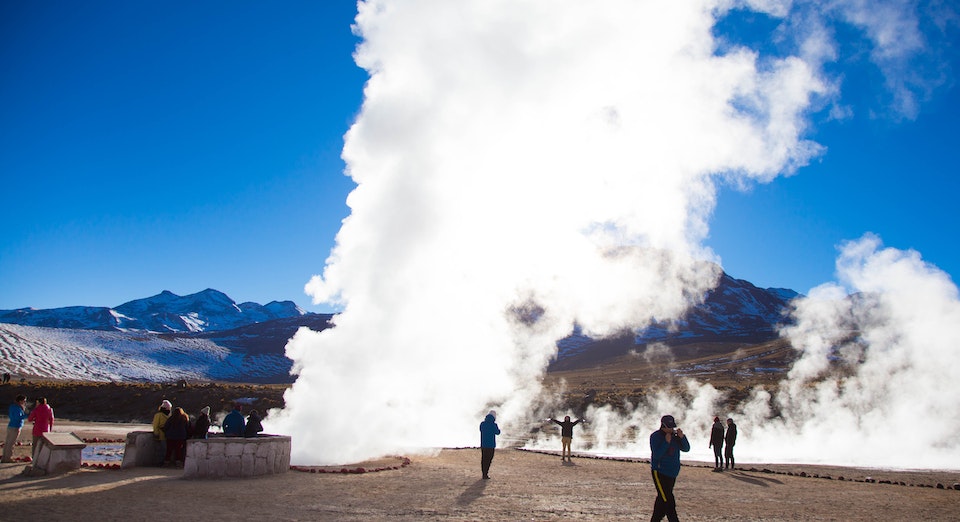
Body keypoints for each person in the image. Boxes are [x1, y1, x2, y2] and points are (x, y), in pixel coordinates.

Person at [649, 414, 690, 522]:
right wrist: (666, 443)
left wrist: (682, 437)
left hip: (672, 473)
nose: (672, 429)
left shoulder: (675, 437)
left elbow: (686, 449)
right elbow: (657, 454)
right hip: (660, 472)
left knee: (662, 500)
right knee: (669, 501)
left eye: (673, 427)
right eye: (669, 427)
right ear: (663, 425)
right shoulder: (655, 436)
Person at [2, 395, 28, 463]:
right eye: (24, 401)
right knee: (11, 443)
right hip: (15, 426)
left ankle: (5, 457)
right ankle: (8, 457)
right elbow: (18, 417)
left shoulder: (12, 406)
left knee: (8, 442)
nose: (25, 402)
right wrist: (26, 415)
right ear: (20, 401)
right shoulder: (17, 408)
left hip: (11, 425)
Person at [479, 411, 500, 480]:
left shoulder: (482, 424)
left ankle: (484, 473)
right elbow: (498, 432)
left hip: (483, 444)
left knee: (484, 459)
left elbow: (481, 430)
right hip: (491, 445)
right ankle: (486, 473)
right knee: (489, 459)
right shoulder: (494, 425)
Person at [152, 400, 172, 466]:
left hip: (168, 435)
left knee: (164, 450)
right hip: (161, 435)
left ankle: (162, 462)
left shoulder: (169, 416)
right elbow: (155, 425)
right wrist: (156, 434)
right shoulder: (158, 415)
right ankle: (159, 462)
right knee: (162, 450)